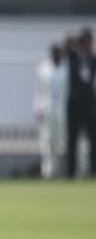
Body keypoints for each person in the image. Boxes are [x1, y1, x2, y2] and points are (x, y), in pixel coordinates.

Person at [64, 29, 95, 177]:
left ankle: (93, 169)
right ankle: (71, 171)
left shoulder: (93, 59)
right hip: (74, 104)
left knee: (92, 138)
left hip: (89, 103)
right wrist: (77, 42)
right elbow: (66, 42)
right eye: (87, 41)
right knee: (72, 139)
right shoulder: (74, 57)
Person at [35, 44, 68, 178]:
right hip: (47, 108)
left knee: (62, 141)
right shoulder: (42, 69)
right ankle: (48, 170)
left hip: (62, 109)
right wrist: (38, 109)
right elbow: (38, 91)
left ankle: (65, 169)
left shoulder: (66, 69)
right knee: (47, 139)